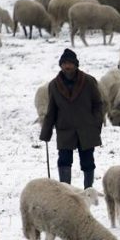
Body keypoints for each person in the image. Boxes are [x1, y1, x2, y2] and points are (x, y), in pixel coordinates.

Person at [39, 49, 104, 189]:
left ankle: (88, 190)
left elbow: (98, 104)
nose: (67, 66)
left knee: (87, 161)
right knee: (64, 160)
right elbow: (52, 110)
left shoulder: (88, 81)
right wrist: (46, 133)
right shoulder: (54, 85)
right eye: (64, 63)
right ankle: (65, 191)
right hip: (65, 129)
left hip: (86, 128)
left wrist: (96, 123)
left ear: (76, 65)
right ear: (61, 65)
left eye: (70, 63)